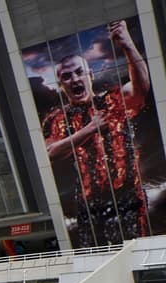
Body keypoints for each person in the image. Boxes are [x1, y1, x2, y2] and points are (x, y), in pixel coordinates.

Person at [42, 20, 151, 247]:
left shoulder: (112, 100)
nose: (75, 79)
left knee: (136, 255)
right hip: (89, 205)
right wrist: (90, 128)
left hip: (128, 197)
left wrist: (127, 45)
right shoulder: (57, 119)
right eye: (67, 76)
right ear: (61, 84)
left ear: (89, 75)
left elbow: (141, 89)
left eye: (79, 73)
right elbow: (50, 152)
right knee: (97, 262)